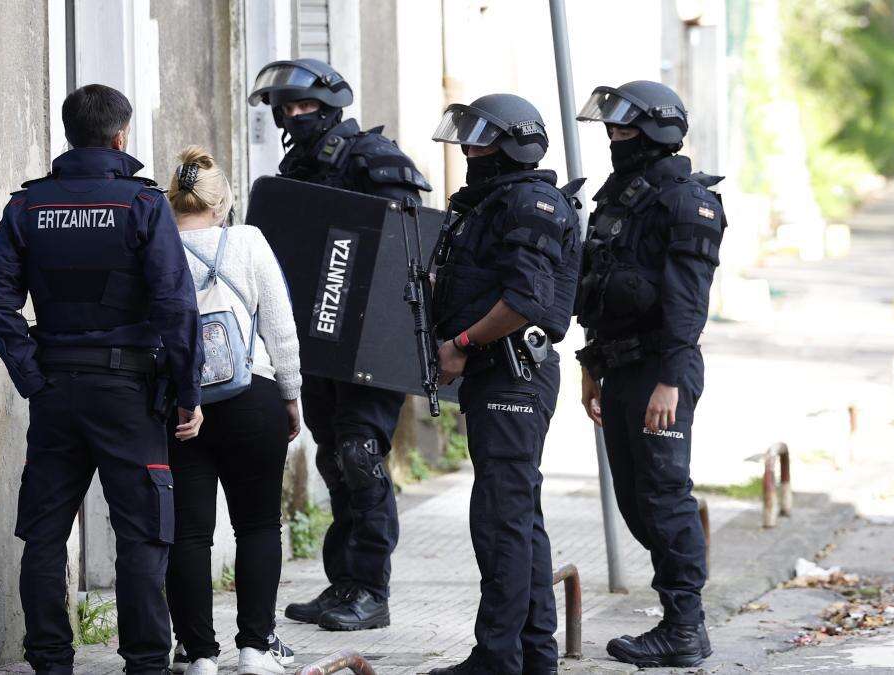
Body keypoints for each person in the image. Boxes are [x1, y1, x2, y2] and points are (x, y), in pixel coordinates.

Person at [0, 84, 203, 675]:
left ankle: (51, 662)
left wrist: (32, 375)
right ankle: (146, 664)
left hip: (56, 390)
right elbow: (176, 304)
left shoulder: (27, 207)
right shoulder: (143, 205)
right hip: (128, 393)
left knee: (45, 533)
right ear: (120, 136)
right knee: (141, 534)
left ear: (69, 132)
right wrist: (189, 393)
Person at [247, 57, 431, 632]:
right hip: (321, 340)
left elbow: (407, 245)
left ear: (330, 108)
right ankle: (343, 583)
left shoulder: (376, 159)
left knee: (360, 455)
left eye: (304, 107)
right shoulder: (294, 166)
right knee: (333, 459)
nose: (294, 116)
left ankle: (371, 589)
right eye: (286, 109)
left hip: (371, 345)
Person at [426, 94, 583, 674]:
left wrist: (461, 345)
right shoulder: (494, 202)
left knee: (500, 521)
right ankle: (534, 654)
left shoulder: (529, 203)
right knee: (517, 518)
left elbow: (523, 299)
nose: (469, 151)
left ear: (513, 145)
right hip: (500, 376)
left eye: (482, 141)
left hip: (512, 373)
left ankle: (497, 658)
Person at [575, 80, 725, 668]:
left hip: (663, 370)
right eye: (610, 129)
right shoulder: (622, 196)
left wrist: (668, 378)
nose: (615, 139)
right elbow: (601, 286)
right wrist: (591, 365)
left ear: (657, 131)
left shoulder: (687, 201)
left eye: (625, 129)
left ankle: (685, 627)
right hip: (619, 367)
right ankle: (678, 621)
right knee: (638, 502)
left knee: (664, 497)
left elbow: (687, 303)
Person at [161, 146, 302, 675]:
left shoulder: (155, 245)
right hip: (252, 398)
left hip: (181, 407)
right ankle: (255, 648)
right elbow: (281, 327)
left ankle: (198, 654)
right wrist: (289, 395)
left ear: (173, 202)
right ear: (223, 204)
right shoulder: (247, 241)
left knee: (190, 533)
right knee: (260, 525)